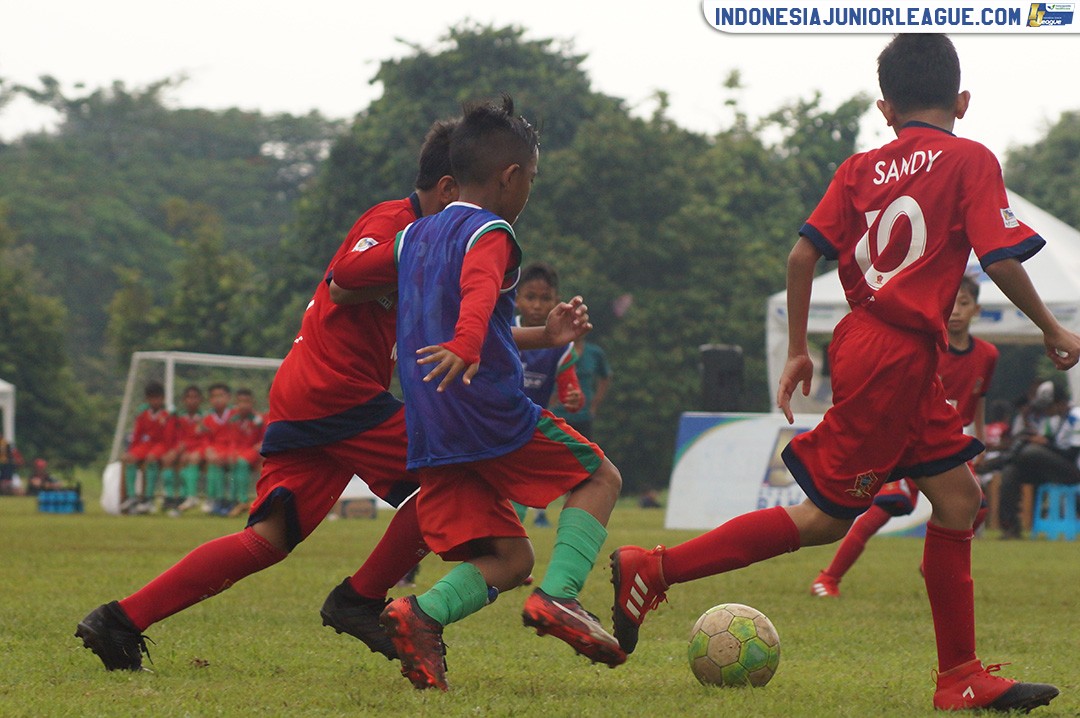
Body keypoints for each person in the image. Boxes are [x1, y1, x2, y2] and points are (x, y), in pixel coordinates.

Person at [609, 35, 1077, 713]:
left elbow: (803, 256)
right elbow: (1000, 257)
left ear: (885, 108)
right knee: (825, 519)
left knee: (957, 499)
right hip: (898, 354)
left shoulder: (860, 167)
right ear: (963, 101)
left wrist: (800, 346)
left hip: (874, 342)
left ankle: (959, 678)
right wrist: (1053, 327)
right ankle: (654, 568)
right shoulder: (970, 158)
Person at [75, 117, 590, 674]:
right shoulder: (397, 223)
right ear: (448, 188)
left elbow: (460, 331)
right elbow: (343, 283)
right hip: (334, 390)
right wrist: (414, 263)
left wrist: (542, 338)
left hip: (318, 396)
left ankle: (119, 621)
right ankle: (361, 600)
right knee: (447, 475)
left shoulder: (437, 240)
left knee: (269, 539)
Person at [343, 96, 624, 691]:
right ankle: (562, 598)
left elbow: (351, 277)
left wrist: (541, 336)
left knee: (510, 558)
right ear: (511, 177)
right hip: (486, 411)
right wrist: (469, 345)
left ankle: (417, 617)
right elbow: (475, 295)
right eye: (533, 180)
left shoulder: (414, 235)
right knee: (600, 478)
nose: (529, 192)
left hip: (432, 427)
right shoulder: (491, 231)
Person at [811, 275, 999, 597]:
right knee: (886, 506)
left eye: (964, 304)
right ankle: (828, 578)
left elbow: (978, 398)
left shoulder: (988, 355)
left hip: (948, 444)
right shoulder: (928, 346)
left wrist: (979, 438)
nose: (955, 311)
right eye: (951, 303)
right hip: (908, 439)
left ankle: (936, 564)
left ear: (977, 310)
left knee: (977, 506)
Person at [512, 261, 584, 528]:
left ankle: (507, 554)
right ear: (517, 299)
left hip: (528, 430)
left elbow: (570, 393)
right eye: (530, 297)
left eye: (545, 299)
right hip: (493, 423)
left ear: (556, 302)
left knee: (515, 493)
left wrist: (574, 399)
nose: (537, 306)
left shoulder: (562, 347)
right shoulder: (504, 327)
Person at [997, 381, 1080, 538]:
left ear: (1060, 403)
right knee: (1010, 472)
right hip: (1051, 468)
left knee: (1031, 452)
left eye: (1048, 406)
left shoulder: (1076, 417)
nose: (1045, 411)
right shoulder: (1054, 420)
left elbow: (1072, 454)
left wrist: (1045, 444)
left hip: (1073, 471)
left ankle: (1000, 462)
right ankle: (1010, 527)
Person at [120, 381, 175, 515]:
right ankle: (132, 497)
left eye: (158, 397)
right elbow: (137, 435)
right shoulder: (143, 413)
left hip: (161, 445)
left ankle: (148, 498)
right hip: (145, 445)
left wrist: (166, 452)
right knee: (129, 458)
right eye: (152, 398)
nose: (155, 401)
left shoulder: (168, 414)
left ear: (163, 398)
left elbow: (168, 438)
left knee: (151, 460)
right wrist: (131, 451)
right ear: (147, 399)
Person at [553, 337, 610, 440]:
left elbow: (605, 377)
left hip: (583, 416)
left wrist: (595, 404)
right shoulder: (555, 350)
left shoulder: (595, 353)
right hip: (556, 415)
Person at [223, 387, 265, 518]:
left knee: (241, 463)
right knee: (234, 461)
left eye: (246, 401)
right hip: (239, 451)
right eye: (240, 401)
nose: (243, 405)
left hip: (253, 451)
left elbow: (264, 438)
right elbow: (231, 440)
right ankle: (233, 499)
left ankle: (242, 499)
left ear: (252, 402)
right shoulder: (233, 419)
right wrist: (231, 452)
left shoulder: (258, 419)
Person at [167, 384, 209, 515]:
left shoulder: (206, 418)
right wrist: (178, 449)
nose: (192, 400)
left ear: (201, 400)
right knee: (174, 460)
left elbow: (208, 439)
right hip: (185, 452)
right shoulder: (179, 418)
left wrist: (199, 451)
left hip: (201, 452)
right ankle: (176, 499)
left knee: (190, 460)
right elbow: (176, 438)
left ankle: (191, 497)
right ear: (183, 400)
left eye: (195, 397)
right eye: (189, 397)